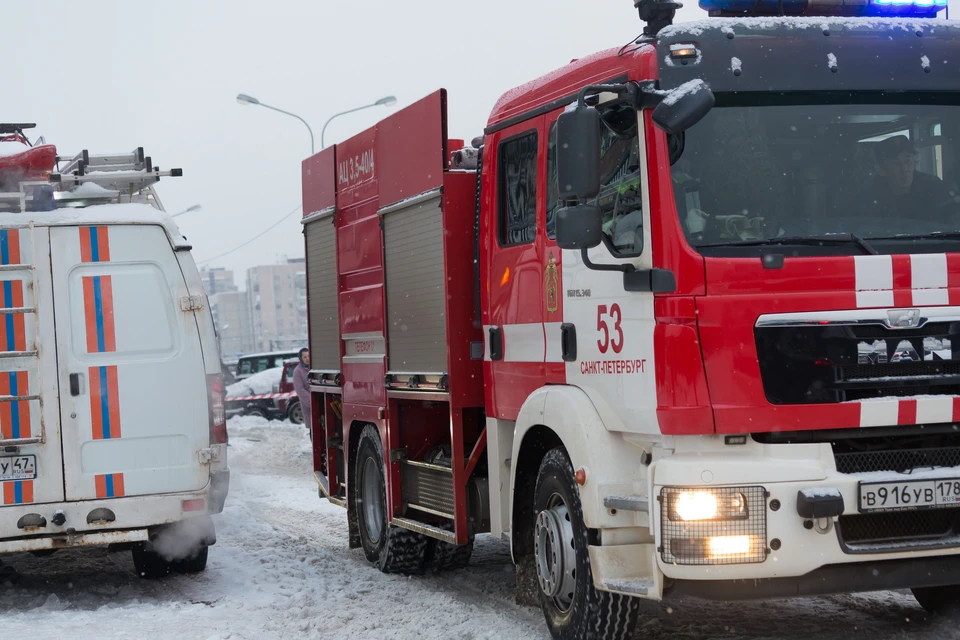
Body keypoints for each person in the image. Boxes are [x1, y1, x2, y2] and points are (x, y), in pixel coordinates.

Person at [863, 135, 956, 222]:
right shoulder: (868, 199)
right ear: (881, 170)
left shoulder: (939, 190)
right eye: (896, 164)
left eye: (908, 161)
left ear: (914, 162)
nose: (904, 168)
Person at [293, 348, 311, 429]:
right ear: (301, 358)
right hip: (308, 405)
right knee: (313, 428)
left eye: (308, 356)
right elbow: (299, 389)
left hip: (320, 402)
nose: (307, 358)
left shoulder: (314, 367)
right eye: (305, 357)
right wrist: (311, 401)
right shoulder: (298, 371)